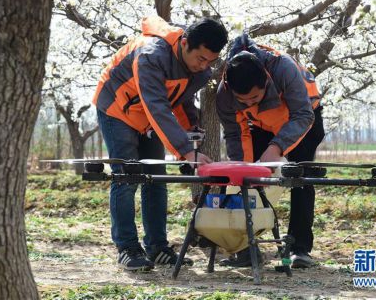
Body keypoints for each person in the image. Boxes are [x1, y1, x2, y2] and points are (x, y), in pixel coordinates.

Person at [93, 16, 228, 271]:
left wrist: (191, 133)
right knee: (128, 176)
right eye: (201, 59)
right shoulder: (151, 56)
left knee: (156, 179)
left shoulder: (198, 70)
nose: (204, 66)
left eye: (210, 61)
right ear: (185, 43)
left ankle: (157, 247)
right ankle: (127, 248)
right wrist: (186, 152)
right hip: (117, 108)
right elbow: (157, 106)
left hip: (148, 116)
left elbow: (181, 101)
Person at [216, 33, 324, 268]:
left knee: (300, 178)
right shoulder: (224, 94)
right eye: (242, 100)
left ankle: (299, 248)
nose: (249, 104)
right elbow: (235, 134)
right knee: (247, 180)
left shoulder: (282, 68)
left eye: (254, 97)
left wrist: (277, 147)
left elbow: (303, 115)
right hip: (263, 125)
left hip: (304, 118)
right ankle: (245, 247)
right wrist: (245, 170)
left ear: (266, 80)